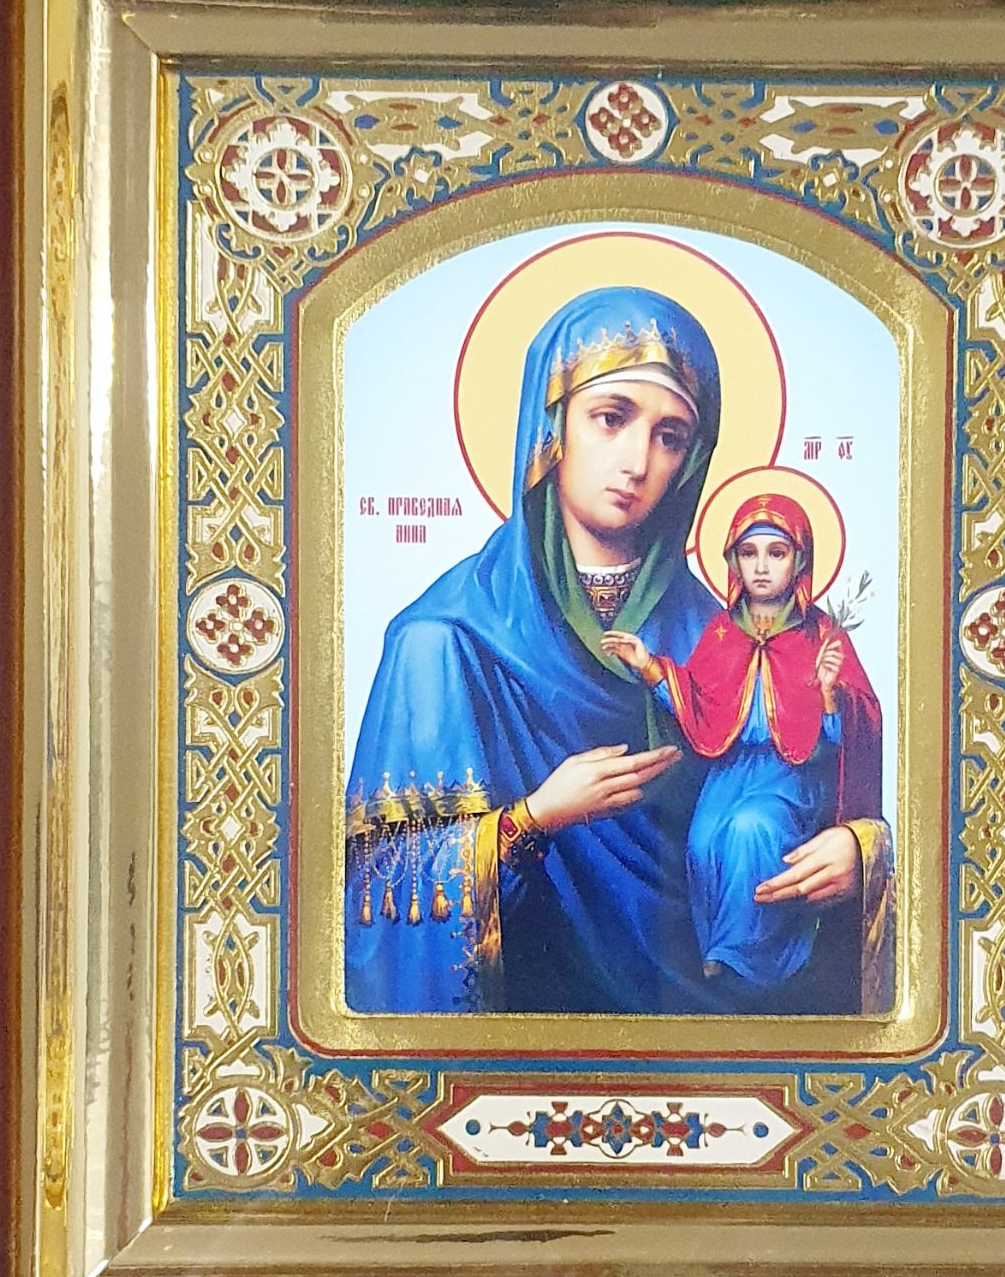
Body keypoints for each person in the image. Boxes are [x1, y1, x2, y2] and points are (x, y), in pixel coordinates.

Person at [343, 282, 889, 1016]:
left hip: (713, 1027)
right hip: (527, 1029)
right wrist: (533, 818)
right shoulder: (441, 641)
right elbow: (376, 883)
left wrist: (859, 852)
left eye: (670, 436)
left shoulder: (722, 634)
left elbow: (801, 781)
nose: (637, 460)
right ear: (551, 430)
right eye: (611, 417)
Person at [602, 493, 885, 1005]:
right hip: (730, 771)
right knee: (704, 841)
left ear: (799, 561)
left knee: (750, 829)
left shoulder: (821, 635)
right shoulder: (722, 632)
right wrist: (648, 666)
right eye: (749, 553)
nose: (761, 567)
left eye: (776, 553)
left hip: (789, 775)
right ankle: (719, 956)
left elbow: (854, 730)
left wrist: (828, 695)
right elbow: (697, 701)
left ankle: (749, 957)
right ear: (733, 561)